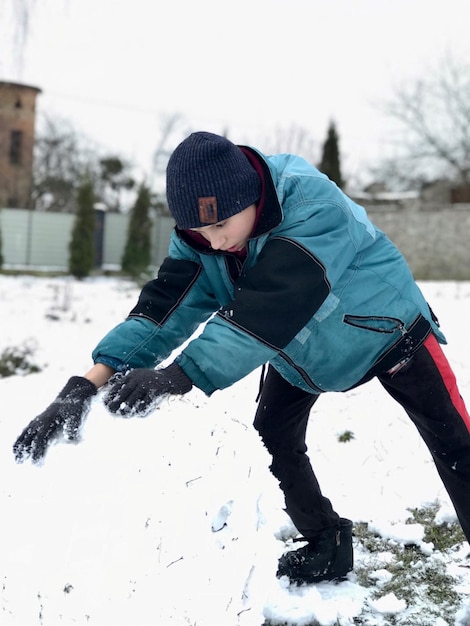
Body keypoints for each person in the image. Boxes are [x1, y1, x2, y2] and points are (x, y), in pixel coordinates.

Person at [13, 131, 470, 586]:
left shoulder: (313, 205)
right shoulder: (203, 238)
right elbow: (162, 309)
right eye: (200, 231)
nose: (213, 242)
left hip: (387, 331)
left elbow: (270, 305)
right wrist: (86, 384)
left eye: (220, 225)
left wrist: (179, 375)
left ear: (252, 196)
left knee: (454, 442)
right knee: (273, 435)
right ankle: (327, 545)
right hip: (295, 346)